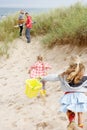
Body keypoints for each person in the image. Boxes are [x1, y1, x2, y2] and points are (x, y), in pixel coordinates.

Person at [41, 55, 87, 129]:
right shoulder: (85, 77)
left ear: (70, 65)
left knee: (69, 110)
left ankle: (72, 122)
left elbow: (52, 77)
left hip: (68, 96)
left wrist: (43, 78)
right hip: (80, 96)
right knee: (80, 112)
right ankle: (80, 126)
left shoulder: (64, 76)